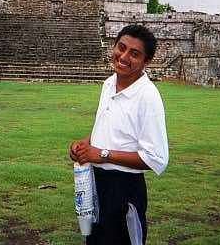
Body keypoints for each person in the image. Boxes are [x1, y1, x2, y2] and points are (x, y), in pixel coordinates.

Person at [70, 24, 169, 245]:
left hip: (124, 190)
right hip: (96, 183)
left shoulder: (147, 97)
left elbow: (155, 158)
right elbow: (107, 129)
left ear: (146, 61)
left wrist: (102, 154)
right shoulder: (109, 83)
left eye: (134, 54)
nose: (124, 57)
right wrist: (84, 146)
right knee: (94, 240)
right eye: (121, 48)